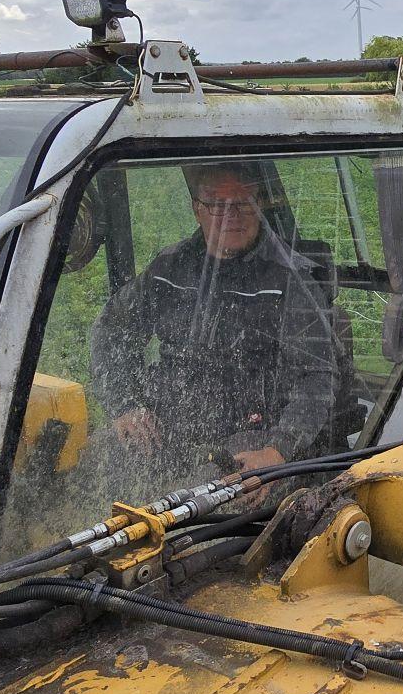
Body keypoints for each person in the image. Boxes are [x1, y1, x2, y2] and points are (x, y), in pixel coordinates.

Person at [88, 162, 342, 499]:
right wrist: (126, 405)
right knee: (96, 462)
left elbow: (317, 375)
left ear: (258, 205)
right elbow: (111, 331)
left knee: (208, 497)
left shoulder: (289, 280)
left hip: (252, 430)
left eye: (241, 203)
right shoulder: (169, 268)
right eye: (216, 204)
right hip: (170, 421)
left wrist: (277, 451)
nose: (230, 215)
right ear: (197, 210)